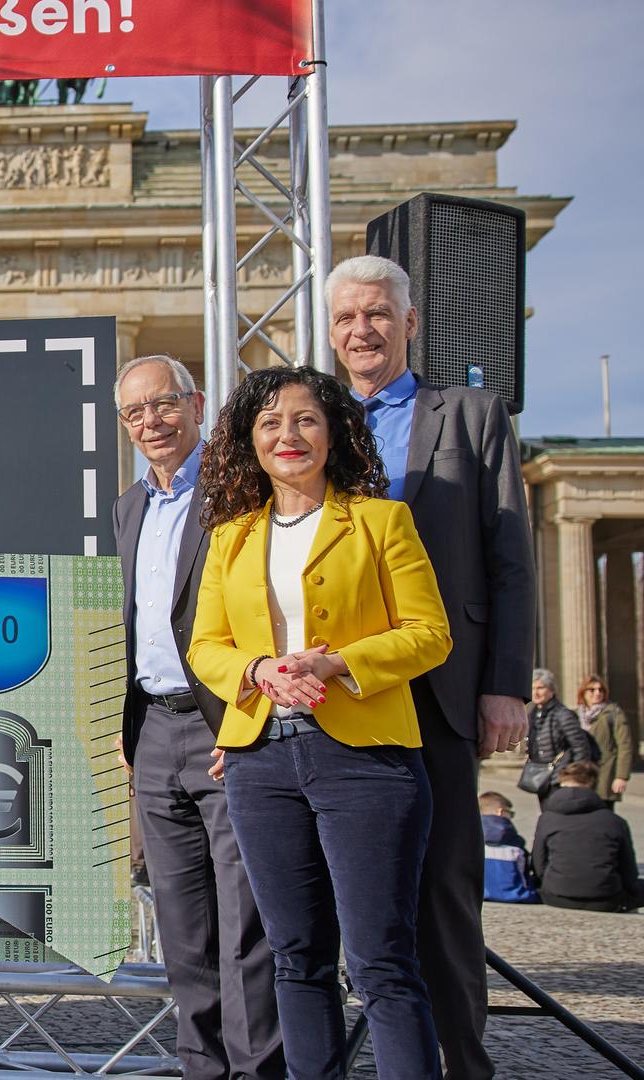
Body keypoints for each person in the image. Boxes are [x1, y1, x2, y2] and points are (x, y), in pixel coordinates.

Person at [187, 364, 452, 1080]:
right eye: (270, 423)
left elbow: (430, 634)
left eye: (305, 419)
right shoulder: (231, 535)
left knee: (380, 961)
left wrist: (341, 665)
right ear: (250, 442)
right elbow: (205, 645)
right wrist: (258, 671)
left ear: (334, 432)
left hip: (366, 761)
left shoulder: (379, 520)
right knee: (295, 957)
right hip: (259, 760)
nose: (287, 435)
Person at [330, 253, 535, 1080]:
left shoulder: (473, 416)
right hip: (343, 691)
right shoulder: (311, 422)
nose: (361, 331)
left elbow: (510, 558)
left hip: (442, 691)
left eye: (377, 314)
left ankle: (459, 1066)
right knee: (351, 899)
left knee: (445, 897)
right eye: (345, 318)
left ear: (411, 323)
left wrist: (506, 683)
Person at [111, 355, 280, 1079]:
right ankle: (201, 1068)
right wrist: (129, 729)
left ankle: (257, 1069)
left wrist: (246, 718)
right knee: (183, 929)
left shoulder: (245, 490)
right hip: (153, 731)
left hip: (226, 728)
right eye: (135, 412)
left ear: (198, 404)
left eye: (166, 403)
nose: (152, 421)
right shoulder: (129, 506)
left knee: (247, 926)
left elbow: (275, 609)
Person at [531, 761, 644, 912]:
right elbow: (628, 871)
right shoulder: (614, 821)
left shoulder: (546, 818)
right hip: (605, 898)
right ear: (593, 784)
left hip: (555, 895)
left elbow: (538, 863)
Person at [525, 668, 597, 797]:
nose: (535, 692)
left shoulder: (563, 714)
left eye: (540, 688)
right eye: (533, 688)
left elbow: (580, 747)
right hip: (541, 776)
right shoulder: (533, 714)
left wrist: (576, 777)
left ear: (551, 690)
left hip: (560, 777)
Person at [576, 674, 634, 807]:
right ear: (583, 693)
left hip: (605, 775)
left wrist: (621, 777)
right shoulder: (575, 715)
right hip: (581, 775)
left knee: (604, 815)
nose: (597, 693)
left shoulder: (613, 713)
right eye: (592, 690)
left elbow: (625, 746)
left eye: (601, 690)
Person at [478, 791, 538, 904]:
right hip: (515, 894)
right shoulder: (515, 841)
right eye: (510, 813)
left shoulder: (472, 837)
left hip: (480, 892)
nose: (511, 817)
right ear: (500, 812)